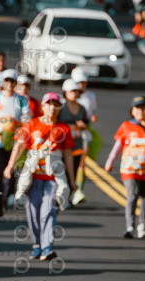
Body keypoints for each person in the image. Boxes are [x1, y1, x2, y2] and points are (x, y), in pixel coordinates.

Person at [5, 92, 77, 261]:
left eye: (56, 105)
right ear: (43, 106)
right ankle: (37, 245)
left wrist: (72, 180)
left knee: (49, 211)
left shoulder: (64, 129)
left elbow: (68, 155)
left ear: (59, 108)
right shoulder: (31, 124)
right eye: (49, 104)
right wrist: (10, 166)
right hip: (33, 178)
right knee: (33, 212)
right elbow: (19, 146)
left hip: (53, 179)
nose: (52, 108)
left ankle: (47, 247)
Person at [104, 95, 145, 239]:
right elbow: (117, 146)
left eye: (143, 108)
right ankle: (130, 226)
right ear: (132, 111)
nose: (140, 111)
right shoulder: (126, 126)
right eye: (137, 108)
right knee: (132, 195)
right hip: (130, 168)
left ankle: (142, 225)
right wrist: (110, 162)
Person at [0, 68, 31, 207]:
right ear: (3, 82)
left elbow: (27, 118)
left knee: (11, 169)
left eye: (12, 81)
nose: (9, 84)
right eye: (7, 81)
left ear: (16, 83)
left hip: (14, 141)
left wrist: (17, 125)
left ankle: (8, 195)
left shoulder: (21, 99)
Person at [71, 68, 102, 203]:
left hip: (84, 133)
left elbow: (92, 112)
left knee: (81, 163)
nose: (81, 85)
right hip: (70, 134)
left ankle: (78, 191)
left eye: (84, 82)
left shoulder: (91, 96)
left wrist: (93, 118)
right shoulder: (68, 96)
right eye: (79, 83)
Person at [59, 78, 89, 206]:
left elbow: (87, 123)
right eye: (71, 91)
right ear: (65, 92)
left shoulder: (82, 108)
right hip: (63, 144)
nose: (74, 94)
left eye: (76, 91)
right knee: (62, 170)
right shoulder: (61, 107)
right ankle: (60, 196)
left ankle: (68, 197)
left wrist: (83, 125)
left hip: (76, 144)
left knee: (74, 170)